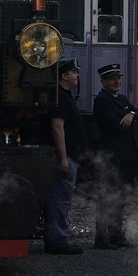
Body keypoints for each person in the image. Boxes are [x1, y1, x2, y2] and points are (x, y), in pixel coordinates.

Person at [91, 63, 138, 249]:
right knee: (107, 196)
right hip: (112, 156)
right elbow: (116, 125)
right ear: (103, 82)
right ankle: (101, 237)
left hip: (127, 156)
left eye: (118, 78)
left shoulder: (121, 98)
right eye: (112, 79)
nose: (117, 81)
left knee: (120, 196)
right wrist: (130, 117)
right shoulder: (102, 100)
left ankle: (116, 234)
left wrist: (131, 114)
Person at [42, 58, 87, 254]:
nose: (77, 75)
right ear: (64, 76)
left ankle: (58, 239)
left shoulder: (64, 96)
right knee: (59, 199)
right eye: (74, 72)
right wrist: (63, 157)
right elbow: (57, 128)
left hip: (68, 156)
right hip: (63, 157)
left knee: (60, 199)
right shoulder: (60, 98)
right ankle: (58, 242)